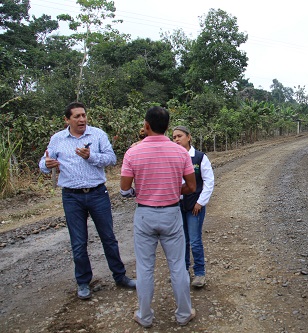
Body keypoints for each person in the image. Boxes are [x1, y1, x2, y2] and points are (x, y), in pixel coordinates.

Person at [39, 101, 136, 300]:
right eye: (77, 116)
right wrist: (47, 164)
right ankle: (83, 282)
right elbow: (44, 162)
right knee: (78, 242)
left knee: (108, 237)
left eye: (83, 115)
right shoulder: (57, 139)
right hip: (71, 196)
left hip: (97, 193)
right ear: (67, 120)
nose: (82, 119)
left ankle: (120, 276)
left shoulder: (98, 134)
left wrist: (91, 156)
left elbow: (111, 159)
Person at [120, 106, 197, 328]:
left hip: (144, 214)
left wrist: (139, 191)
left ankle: (144, 317)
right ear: (167, 127)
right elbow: (191, 186)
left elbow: (124, 189)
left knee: (144, 268)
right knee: (177, 267)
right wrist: (173, 189)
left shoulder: (133, 153)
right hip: (172, 213)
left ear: (146, 126)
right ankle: (183, 314)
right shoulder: (181, 152)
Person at [172, 126, 214, 288]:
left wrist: (200, 202)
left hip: (194, 205)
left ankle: (199, 273)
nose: (176, 139)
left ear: (189, 137)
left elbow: (209, 182)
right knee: (181, 240)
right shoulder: (172, 156)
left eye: (179, 136)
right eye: (174, 137)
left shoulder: (199, 158)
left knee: (195, 240)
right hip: (177, 204)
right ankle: (183, 272)